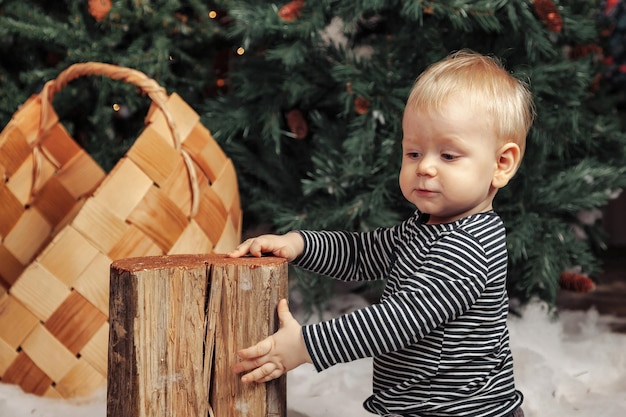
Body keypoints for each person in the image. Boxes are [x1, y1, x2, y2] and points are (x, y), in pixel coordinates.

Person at [229, 49, 534, 417]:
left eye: (449, 156)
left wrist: (306, 346)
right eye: (414, 153)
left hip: (463, 411)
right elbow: (361, 253)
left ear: (501, 164)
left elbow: (398, 320)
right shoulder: (424, 228)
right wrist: (300, 243)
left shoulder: (471, 246)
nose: (426, 168)